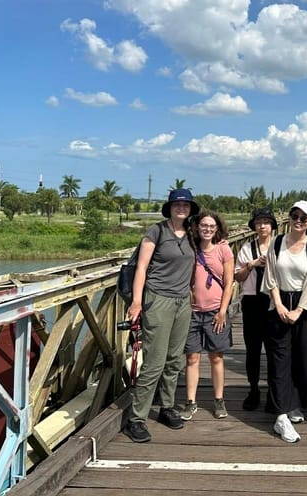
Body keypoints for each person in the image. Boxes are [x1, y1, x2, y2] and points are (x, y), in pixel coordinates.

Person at [123, 188, 199, 443]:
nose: (182, 208)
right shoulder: (157, 231)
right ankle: (136, 418)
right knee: (154, 361)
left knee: (174, 359)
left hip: (182, 303)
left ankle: (167, 406)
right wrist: (136, 302)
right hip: (158, 300)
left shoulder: (191, 233)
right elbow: (141, 268)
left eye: (186, 205)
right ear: (169, 207)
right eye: (177, 204)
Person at [262, 201, 307, 443]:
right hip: (278, 303)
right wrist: (278, 304)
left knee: (303, 361)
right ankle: (280, 416)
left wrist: (299, 309)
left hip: (304, 306)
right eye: (295, 215)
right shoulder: (277, 243)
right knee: (279, 361)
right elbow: (271, 276)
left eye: (304, 218)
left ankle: (293, 403)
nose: (299, 220)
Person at [180, 210, 234, 421]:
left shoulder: (223, 249)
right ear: (196, 227)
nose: (208, 229)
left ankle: (219, 400)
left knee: (216, 357)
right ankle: (190, 402)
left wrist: (222, 311)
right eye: (204, 226)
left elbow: (229, 283)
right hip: (192, 312)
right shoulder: (190, 248)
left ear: (217, 229)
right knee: (192, 357)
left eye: (212, 226)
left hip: (215, 312)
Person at [234, 208, 277, 411]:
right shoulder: (246, 248)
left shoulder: (280, 246)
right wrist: (251, 264)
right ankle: (253, 389)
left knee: (273, 349)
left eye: (266, 222)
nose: (262, 226)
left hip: (272, 301)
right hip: (251, 301)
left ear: (272, 226)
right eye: (259, 222)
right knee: (253, 349)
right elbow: (238, 277)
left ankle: (272, 390)